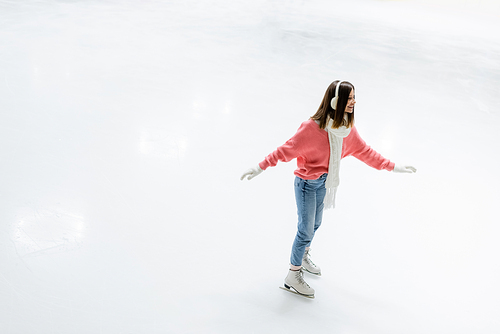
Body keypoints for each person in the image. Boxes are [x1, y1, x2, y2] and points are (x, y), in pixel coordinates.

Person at [240, 80, 416, 298]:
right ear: (335, 101)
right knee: (304, 230)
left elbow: (367, 153)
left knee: (316, 224)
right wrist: (259, 167)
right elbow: (284, 151)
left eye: (353, 97)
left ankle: (303, 255)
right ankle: (292, 276)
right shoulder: (311, 129)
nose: (353, 102)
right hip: (305, 184)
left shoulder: (346, 131)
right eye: (349, 98)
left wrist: (394, 167)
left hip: (324, 183)